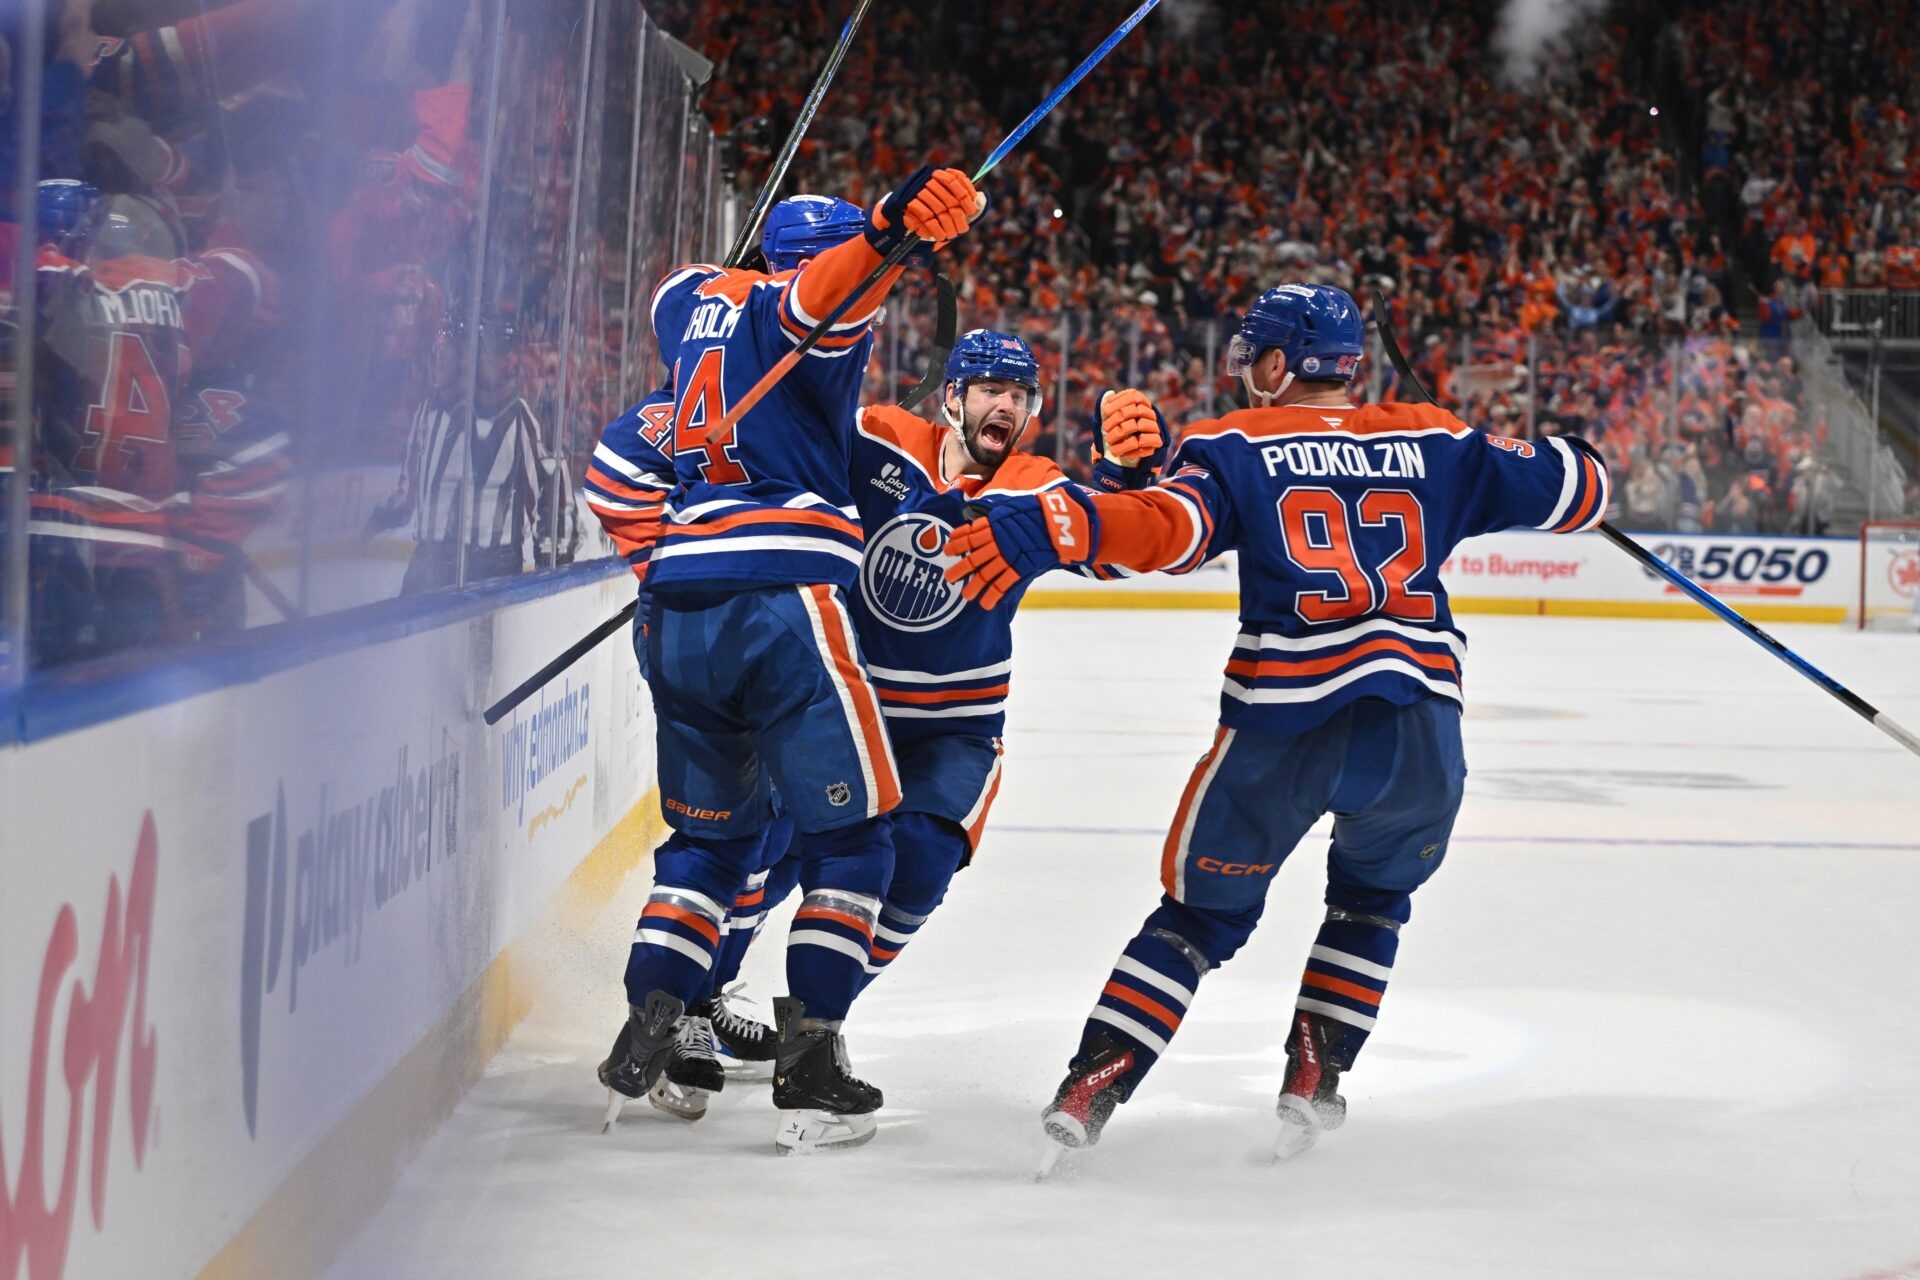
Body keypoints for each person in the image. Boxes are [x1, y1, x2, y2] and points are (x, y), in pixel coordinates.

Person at [941, 283, 1611, 1166]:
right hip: (1418, 733)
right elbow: (1584, 485)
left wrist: (1077, 516)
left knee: (1195, 922)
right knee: (1373, 902)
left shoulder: (1233, 443)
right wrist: (1528, 448)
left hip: (1282, 728)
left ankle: (1093, 1085)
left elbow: (1169, 536)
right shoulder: (1440, 437)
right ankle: (1314, 1078)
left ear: (1275, 363)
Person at [593, 167, 985, 1154]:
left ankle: (650, 1016)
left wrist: (660, 558)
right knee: (859, 840)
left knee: (709, 843)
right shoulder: (808, 307)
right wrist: (889, 232)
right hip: (786, 599)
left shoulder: (689, 310)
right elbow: (823, 296)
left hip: (679, 603)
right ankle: (810, 1059)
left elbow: (613, 471)